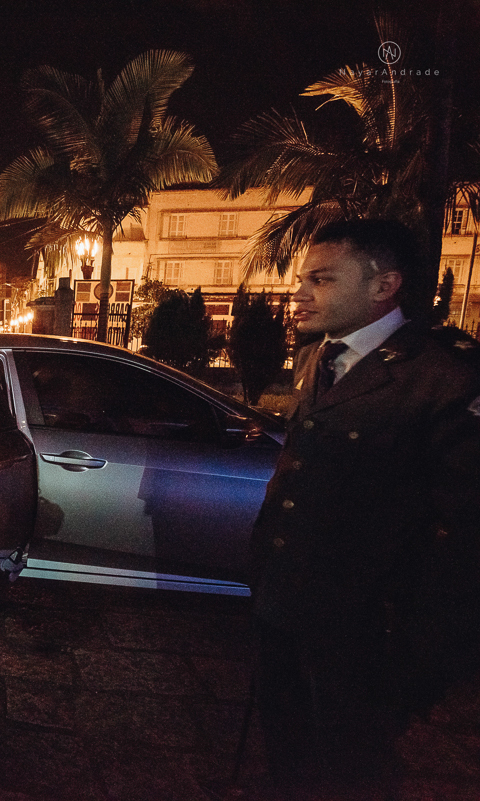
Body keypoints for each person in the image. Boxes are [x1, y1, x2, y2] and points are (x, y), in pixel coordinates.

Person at [249, 219, 480, 797]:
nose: (298, 293)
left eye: (321, 279)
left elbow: (463, 529)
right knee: (287, 751)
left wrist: (421, 647)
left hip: (366, 626)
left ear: (384, 286)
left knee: (353, 765)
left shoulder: (441, 378)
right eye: (302, 278)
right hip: (288, 602)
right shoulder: (317, 357)